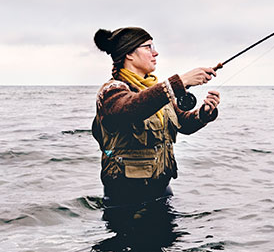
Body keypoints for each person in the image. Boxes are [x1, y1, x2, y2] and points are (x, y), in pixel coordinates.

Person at [92, 26, 221, 208]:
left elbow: (183, 123)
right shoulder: (111, 92)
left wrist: (204, 113)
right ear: (129, 54)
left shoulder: (158, 93)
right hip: (125, 199)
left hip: (162, 191)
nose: (156, 53)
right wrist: (180, 82)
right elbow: (130, 108)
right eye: (148, 47)